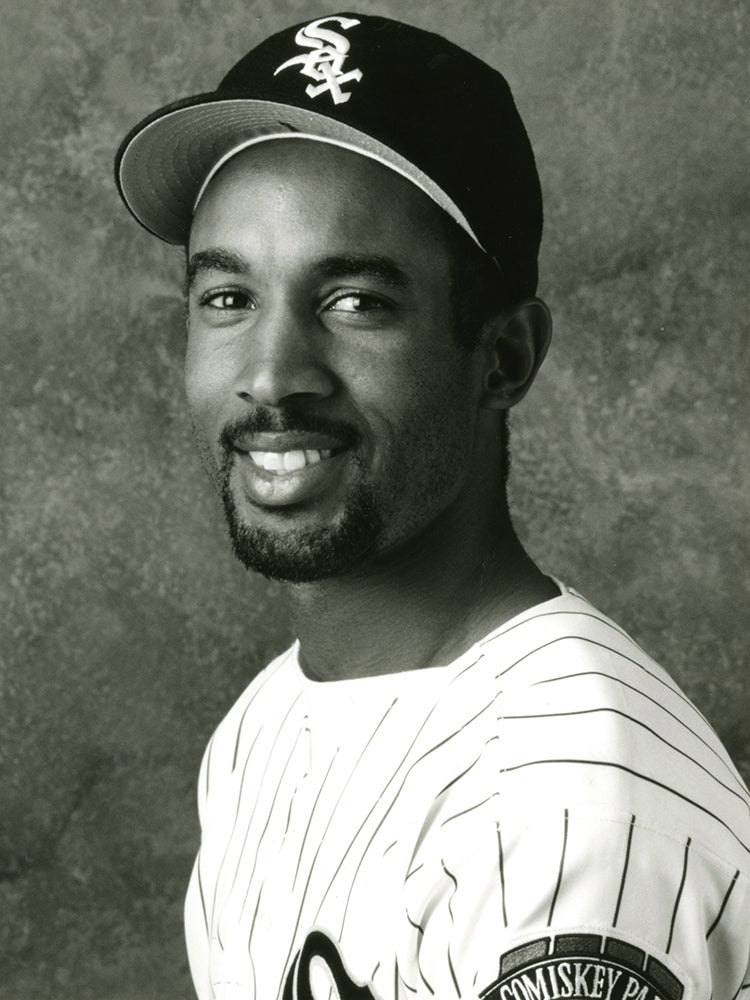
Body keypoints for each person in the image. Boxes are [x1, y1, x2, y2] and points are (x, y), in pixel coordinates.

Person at [115, 13, 750, 1000]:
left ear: (502, 357)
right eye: (229, 299)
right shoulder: (261, 729)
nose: (272, 377)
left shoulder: (567, 814)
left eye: (356, 300)